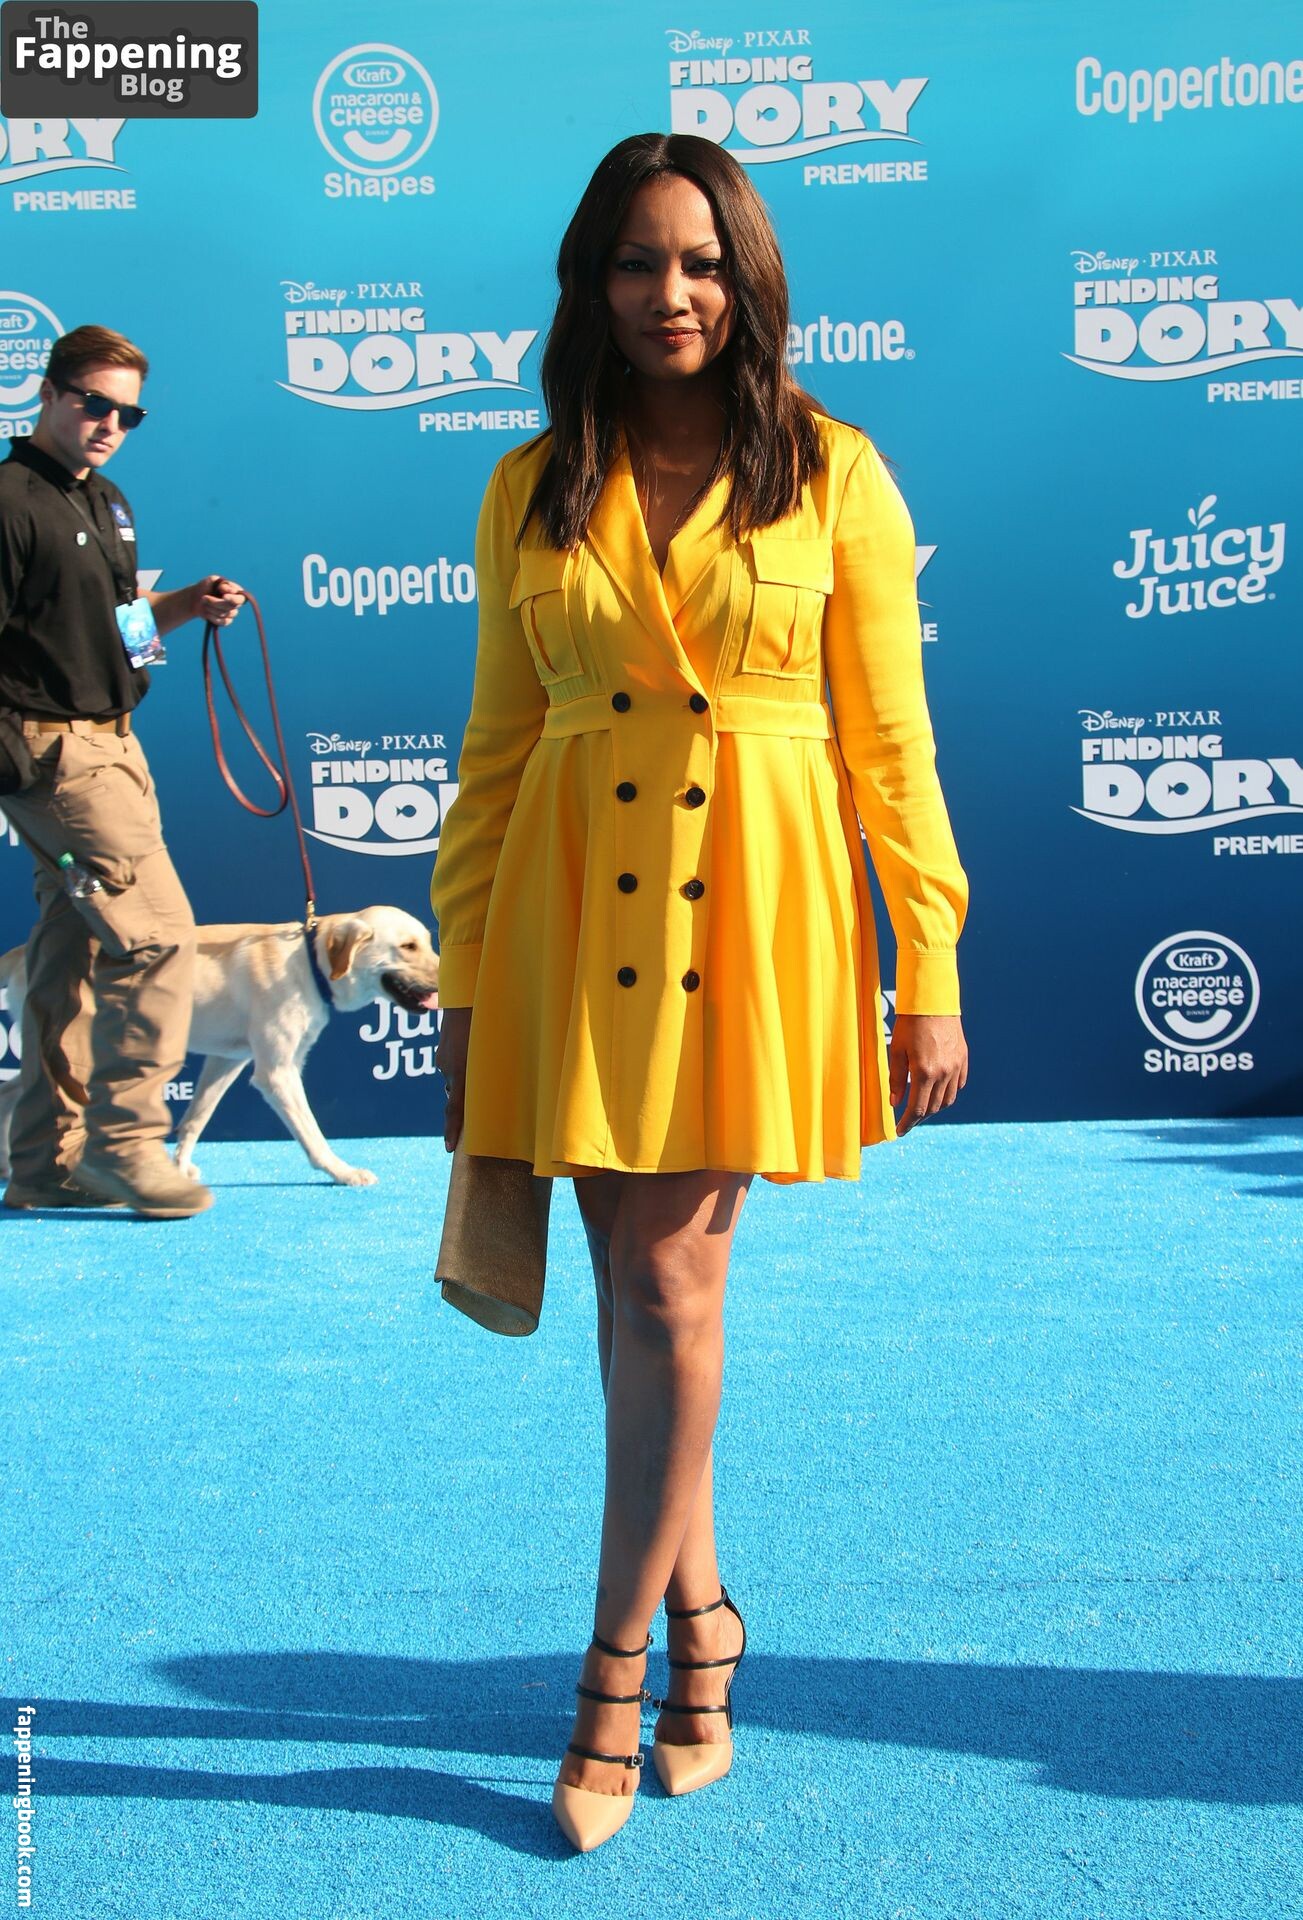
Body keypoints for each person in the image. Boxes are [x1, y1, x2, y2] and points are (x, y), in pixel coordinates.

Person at [430, 133, 969, 1852]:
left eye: (699, 262)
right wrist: (460, 985)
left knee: (666, 1287)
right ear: (587, 282)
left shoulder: (834, 470)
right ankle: (706, 1626)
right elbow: (493, 750)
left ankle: (608, 1680)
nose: (668, 294)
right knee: (637, 1303)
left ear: (747, 282)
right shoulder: (528, 485)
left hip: (750, 913)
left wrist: (926, 964)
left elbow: (889, 745)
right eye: (633, 261)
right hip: (566, 913)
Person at [0, 325, 245, 1219]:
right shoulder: (8, 501)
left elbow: (120, 629)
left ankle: (44, 1161)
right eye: (93, 403)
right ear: (47, 394)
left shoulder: (107, 500)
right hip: (55, 753)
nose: (109, 424)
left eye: (127, 414)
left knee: (70, 950)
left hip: (114, 745)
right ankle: (126, 1145)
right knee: (157, 936)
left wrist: (184, 606)